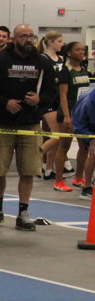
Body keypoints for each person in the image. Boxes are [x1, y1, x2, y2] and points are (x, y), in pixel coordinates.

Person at [0, 24, 58, 231]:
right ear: (14, 39)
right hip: (3, 124)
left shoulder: (42, 62)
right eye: (24, 36)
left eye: (31, 36)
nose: (28, 40)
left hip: (30, 124)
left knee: (28, 171)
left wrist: (39, 100)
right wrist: (5, 102)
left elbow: (51, 91)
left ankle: (23, 213)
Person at [37, 31, 70, 189]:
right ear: (50, 42)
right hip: (48, 100)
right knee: (57, 135)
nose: (61, 44)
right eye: (59, 41)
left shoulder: (62, 59)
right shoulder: (43, 59)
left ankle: (49, 169)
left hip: (59, 100)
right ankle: (36, 155)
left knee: (57, 136)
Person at [59, 41, 92, 195]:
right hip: (67, 113)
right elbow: (63, 95)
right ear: (69, 53)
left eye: (82, 50)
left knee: (84, 147)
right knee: (63, 147)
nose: (81, 52)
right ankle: (58, 181)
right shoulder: (65, 71)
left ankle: (78, 178)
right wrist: (67, 116)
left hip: (81, 115)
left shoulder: (84, 69)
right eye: (77, 50)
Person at [70, 90, 95, 199]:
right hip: (84, 126)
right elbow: (79, 127)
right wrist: (91, 140)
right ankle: (86, 189)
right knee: (92, 152)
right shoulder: (89, 102)